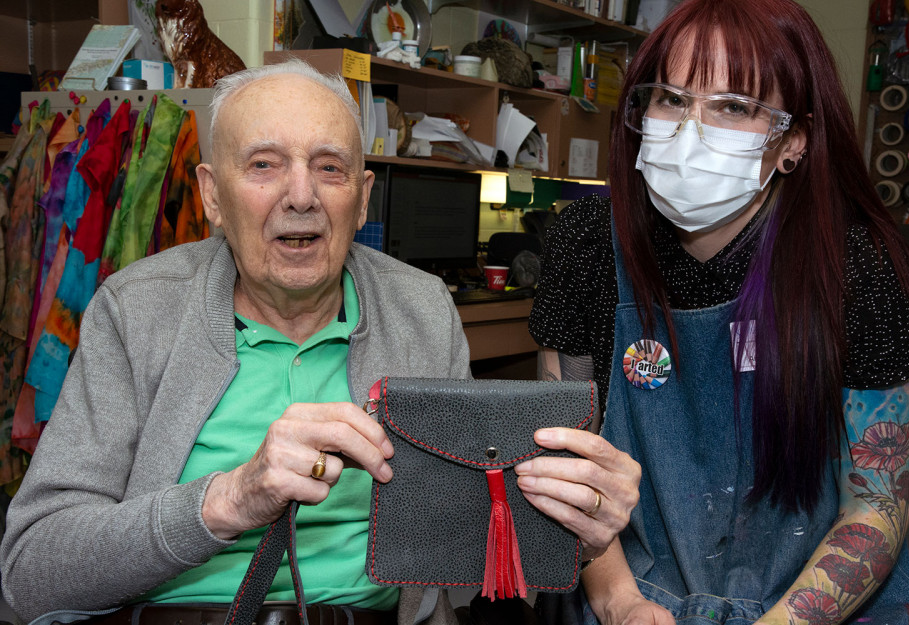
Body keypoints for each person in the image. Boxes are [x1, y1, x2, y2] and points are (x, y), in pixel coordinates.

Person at [0, 60, 640, 625]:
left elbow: (466, 542)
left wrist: (576, 532)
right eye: (263, 166)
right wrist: (230, 498)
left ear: (361, 201)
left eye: (329, 168)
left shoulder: (421, 308)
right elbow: (32, 570)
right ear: (212, 195)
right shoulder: (136, 310)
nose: (301, 197)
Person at [532, 1, 909, 624]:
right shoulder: (585, 241)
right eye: (670, 99)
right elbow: (564, 458)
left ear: (792, 141)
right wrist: (618, 600)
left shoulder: (855, 265)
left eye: (734, 108)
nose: (691, 130)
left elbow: (876, 505)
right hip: (633, 590)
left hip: (812, 604)